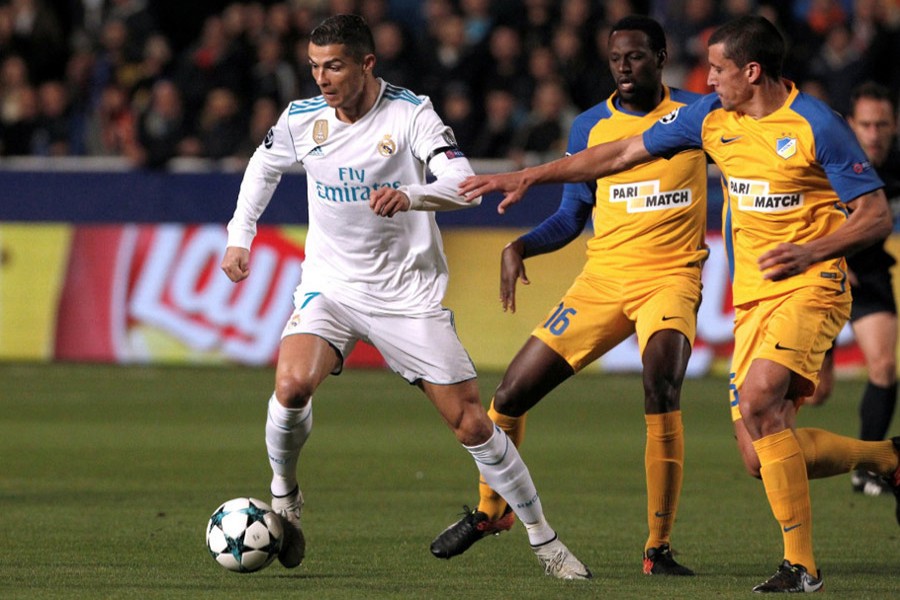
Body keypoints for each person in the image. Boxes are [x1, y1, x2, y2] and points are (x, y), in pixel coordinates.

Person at [458, 15, 900, 594]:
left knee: (759, 398)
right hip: (753, 298)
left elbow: (874, 215)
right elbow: (619, 153)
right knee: (760, 454)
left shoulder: (817, 124)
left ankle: (802, 568)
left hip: (811, 284)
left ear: (751, 71)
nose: (706, 79)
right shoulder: (710, 117)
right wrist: (529, 176)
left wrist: (810, 251)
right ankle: (887, 459)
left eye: (717, 69)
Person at [220, 14, 591, 580]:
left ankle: (546, 541)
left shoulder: (412, 114)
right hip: (331, 286)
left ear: (367, 64)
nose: (321, 78)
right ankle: (284, 496)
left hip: (406, 295)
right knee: (291, 387)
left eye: (334, 66)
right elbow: (262, 167)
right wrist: (239, 236)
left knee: (471, 424)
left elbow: (466, 187)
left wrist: (412, 196)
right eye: (314, 66)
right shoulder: (301, 118)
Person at [430, 15, 705, 577]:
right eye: (615, 58)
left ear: (661, 57)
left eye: (635, 56)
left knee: (661, 384)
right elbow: (572, 215)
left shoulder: (697, 114)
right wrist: (522, 246)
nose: (624, 67)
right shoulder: (589, 126)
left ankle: (658, 548)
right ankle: (492, 511)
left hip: (671, 277)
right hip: (602, 281)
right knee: (509, 395)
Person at [808, 82, 900, 497]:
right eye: (866, 125)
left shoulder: (896, 164)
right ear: (851, 125)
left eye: (882, 124)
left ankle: (868, 469)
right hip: (824, 275)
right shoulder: (833, 160)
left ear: (895, 125)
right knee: (817, 393)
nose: (874, 134)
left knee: (884, 366)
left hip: (871, 276)